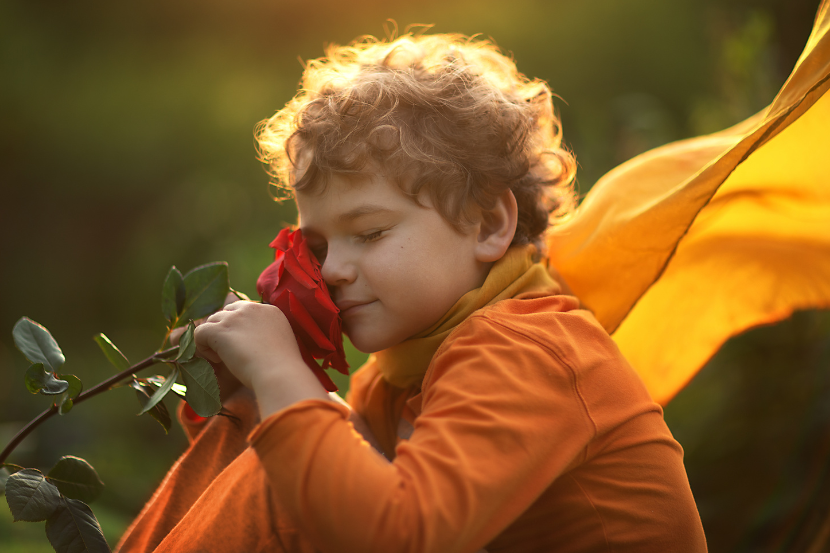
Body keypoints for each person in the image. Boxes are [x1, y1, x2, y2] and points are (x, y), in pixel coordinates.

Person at [116, 32, 709, 553]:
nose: (333, 271)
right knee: (295, 474)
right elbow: (348, 484)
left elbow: (398, 536)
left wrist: (280, 374)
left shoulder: (528, 350)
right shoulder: (402, 373)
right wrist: (250, 400)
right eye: (318, 248)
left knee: (283, 501)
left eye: (370, 232)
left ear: (487, 224)